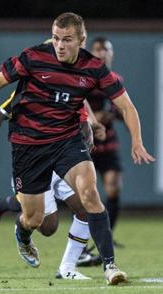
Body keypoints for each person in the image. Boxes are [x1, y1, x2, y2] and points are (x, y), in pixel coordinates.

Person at [0, 12, 154, 285]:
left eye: (67, 40)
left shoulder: (93, 68)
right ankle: (22, 231)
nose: (60, 45)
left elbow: (126, 105)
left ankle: (110, 266)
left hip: (66, 141)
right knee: (38, 221)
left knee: (89, 193)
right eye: (56, 38)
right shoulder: (34, 57)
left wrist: (137, 141)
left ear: (81, 40)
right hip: (28, 145)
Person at [0, 93, 105, 280]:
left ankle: (68, 268)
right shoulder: (27, 90)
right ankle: (17, 225)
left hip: (64, 159)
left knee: (85, 208)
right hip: (34, 163)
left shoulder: (69, 86)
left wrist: (88, 135)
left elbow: (82, 118)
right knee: (47, 227)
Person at [77, 37, 127, 267]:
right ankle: (82, 245)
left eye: (106, 49)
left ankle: (107, 235)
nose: (102, 53)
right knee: (85, 194)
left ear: (111, 54)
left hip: (108, 141)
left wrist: (136, 139)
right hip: (86, 140)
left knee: (113, 186)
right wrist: (97, 117)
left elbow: (122, 110)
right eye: (97, 49)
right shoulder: (83, 77)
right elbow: (79, 104)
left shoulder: (115, 79)